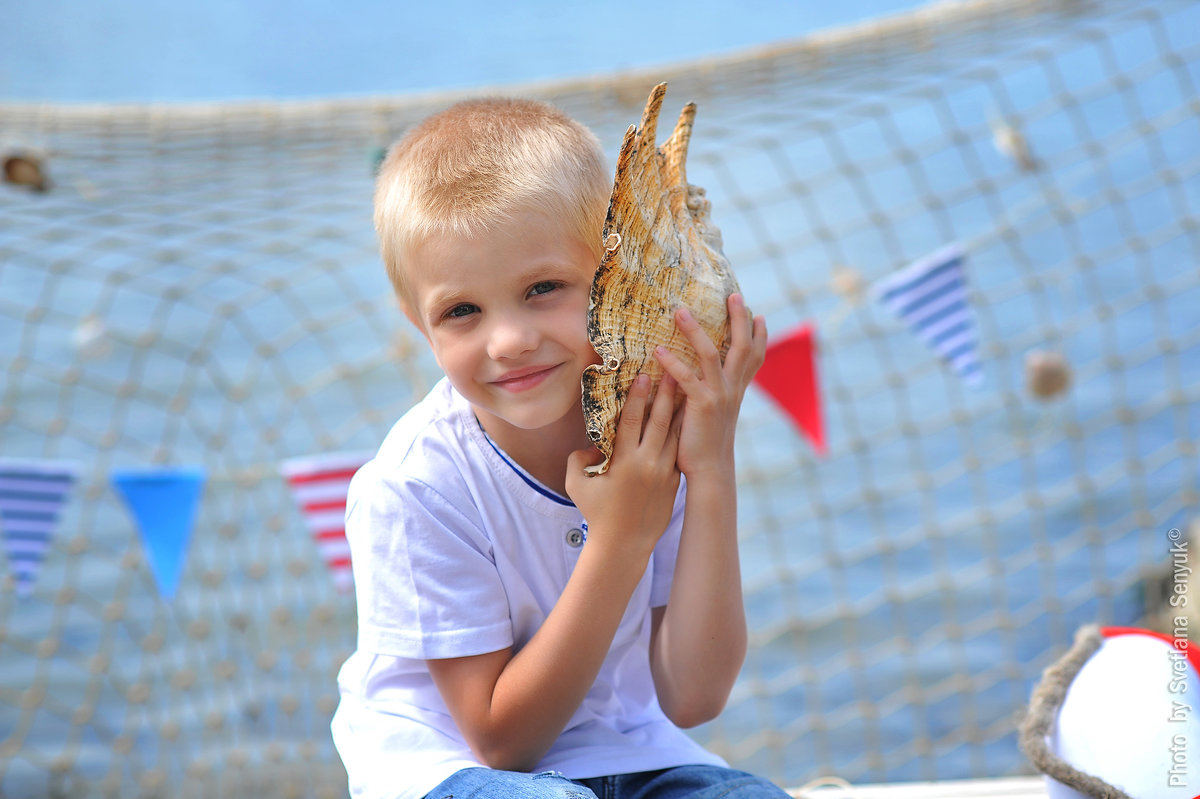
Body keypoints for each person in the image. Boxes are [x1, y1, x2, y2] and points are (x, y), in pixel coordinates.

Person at [331, 93, 784, 799]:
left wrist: (710, 459)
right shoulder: (415, 485)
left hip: (627, 753)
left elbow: (692, 694)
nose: (509, 340)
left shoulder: (640, 427)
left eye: (543, 288)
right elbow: (503, 741)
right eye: (461, 311)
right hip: (449, 770)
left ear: (610, 273)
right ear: (418, 322)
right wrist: (619, 538)